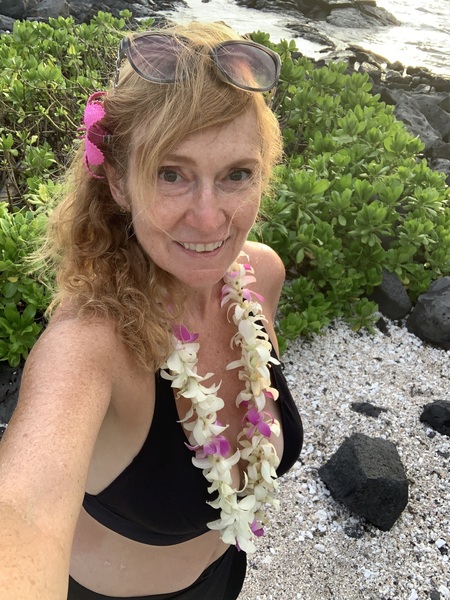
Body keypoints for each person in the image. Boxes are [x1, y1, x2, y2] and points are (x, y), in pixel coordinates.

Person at [0, 21, 303, 600]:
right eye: (172, 174)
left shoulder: (260, 274)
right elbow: (24, 512)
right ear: (118, 182)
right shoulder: (89, 346)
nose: (211, 219)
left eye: (236, 174)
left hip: (222, 577)